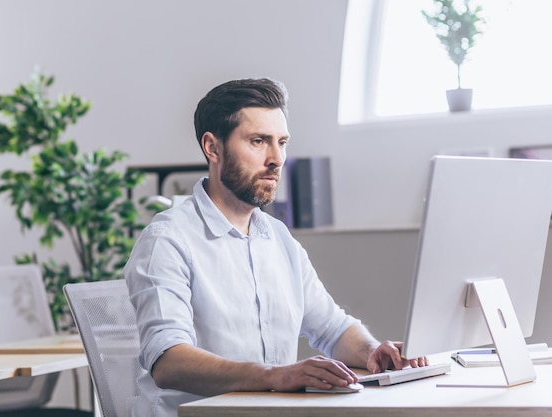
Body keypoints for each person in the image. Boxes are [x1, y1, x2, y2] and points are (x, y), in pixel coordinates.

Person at [124, 78, 427, 417]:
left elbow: (332, 327)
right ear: (213, 147)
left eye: (281, 142)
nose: (277, 159)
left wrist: (372, 351)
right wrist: (274, 376)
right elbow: (168, 361)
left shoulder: (278, 237)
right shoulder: (168, 240)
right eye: (258, 141)